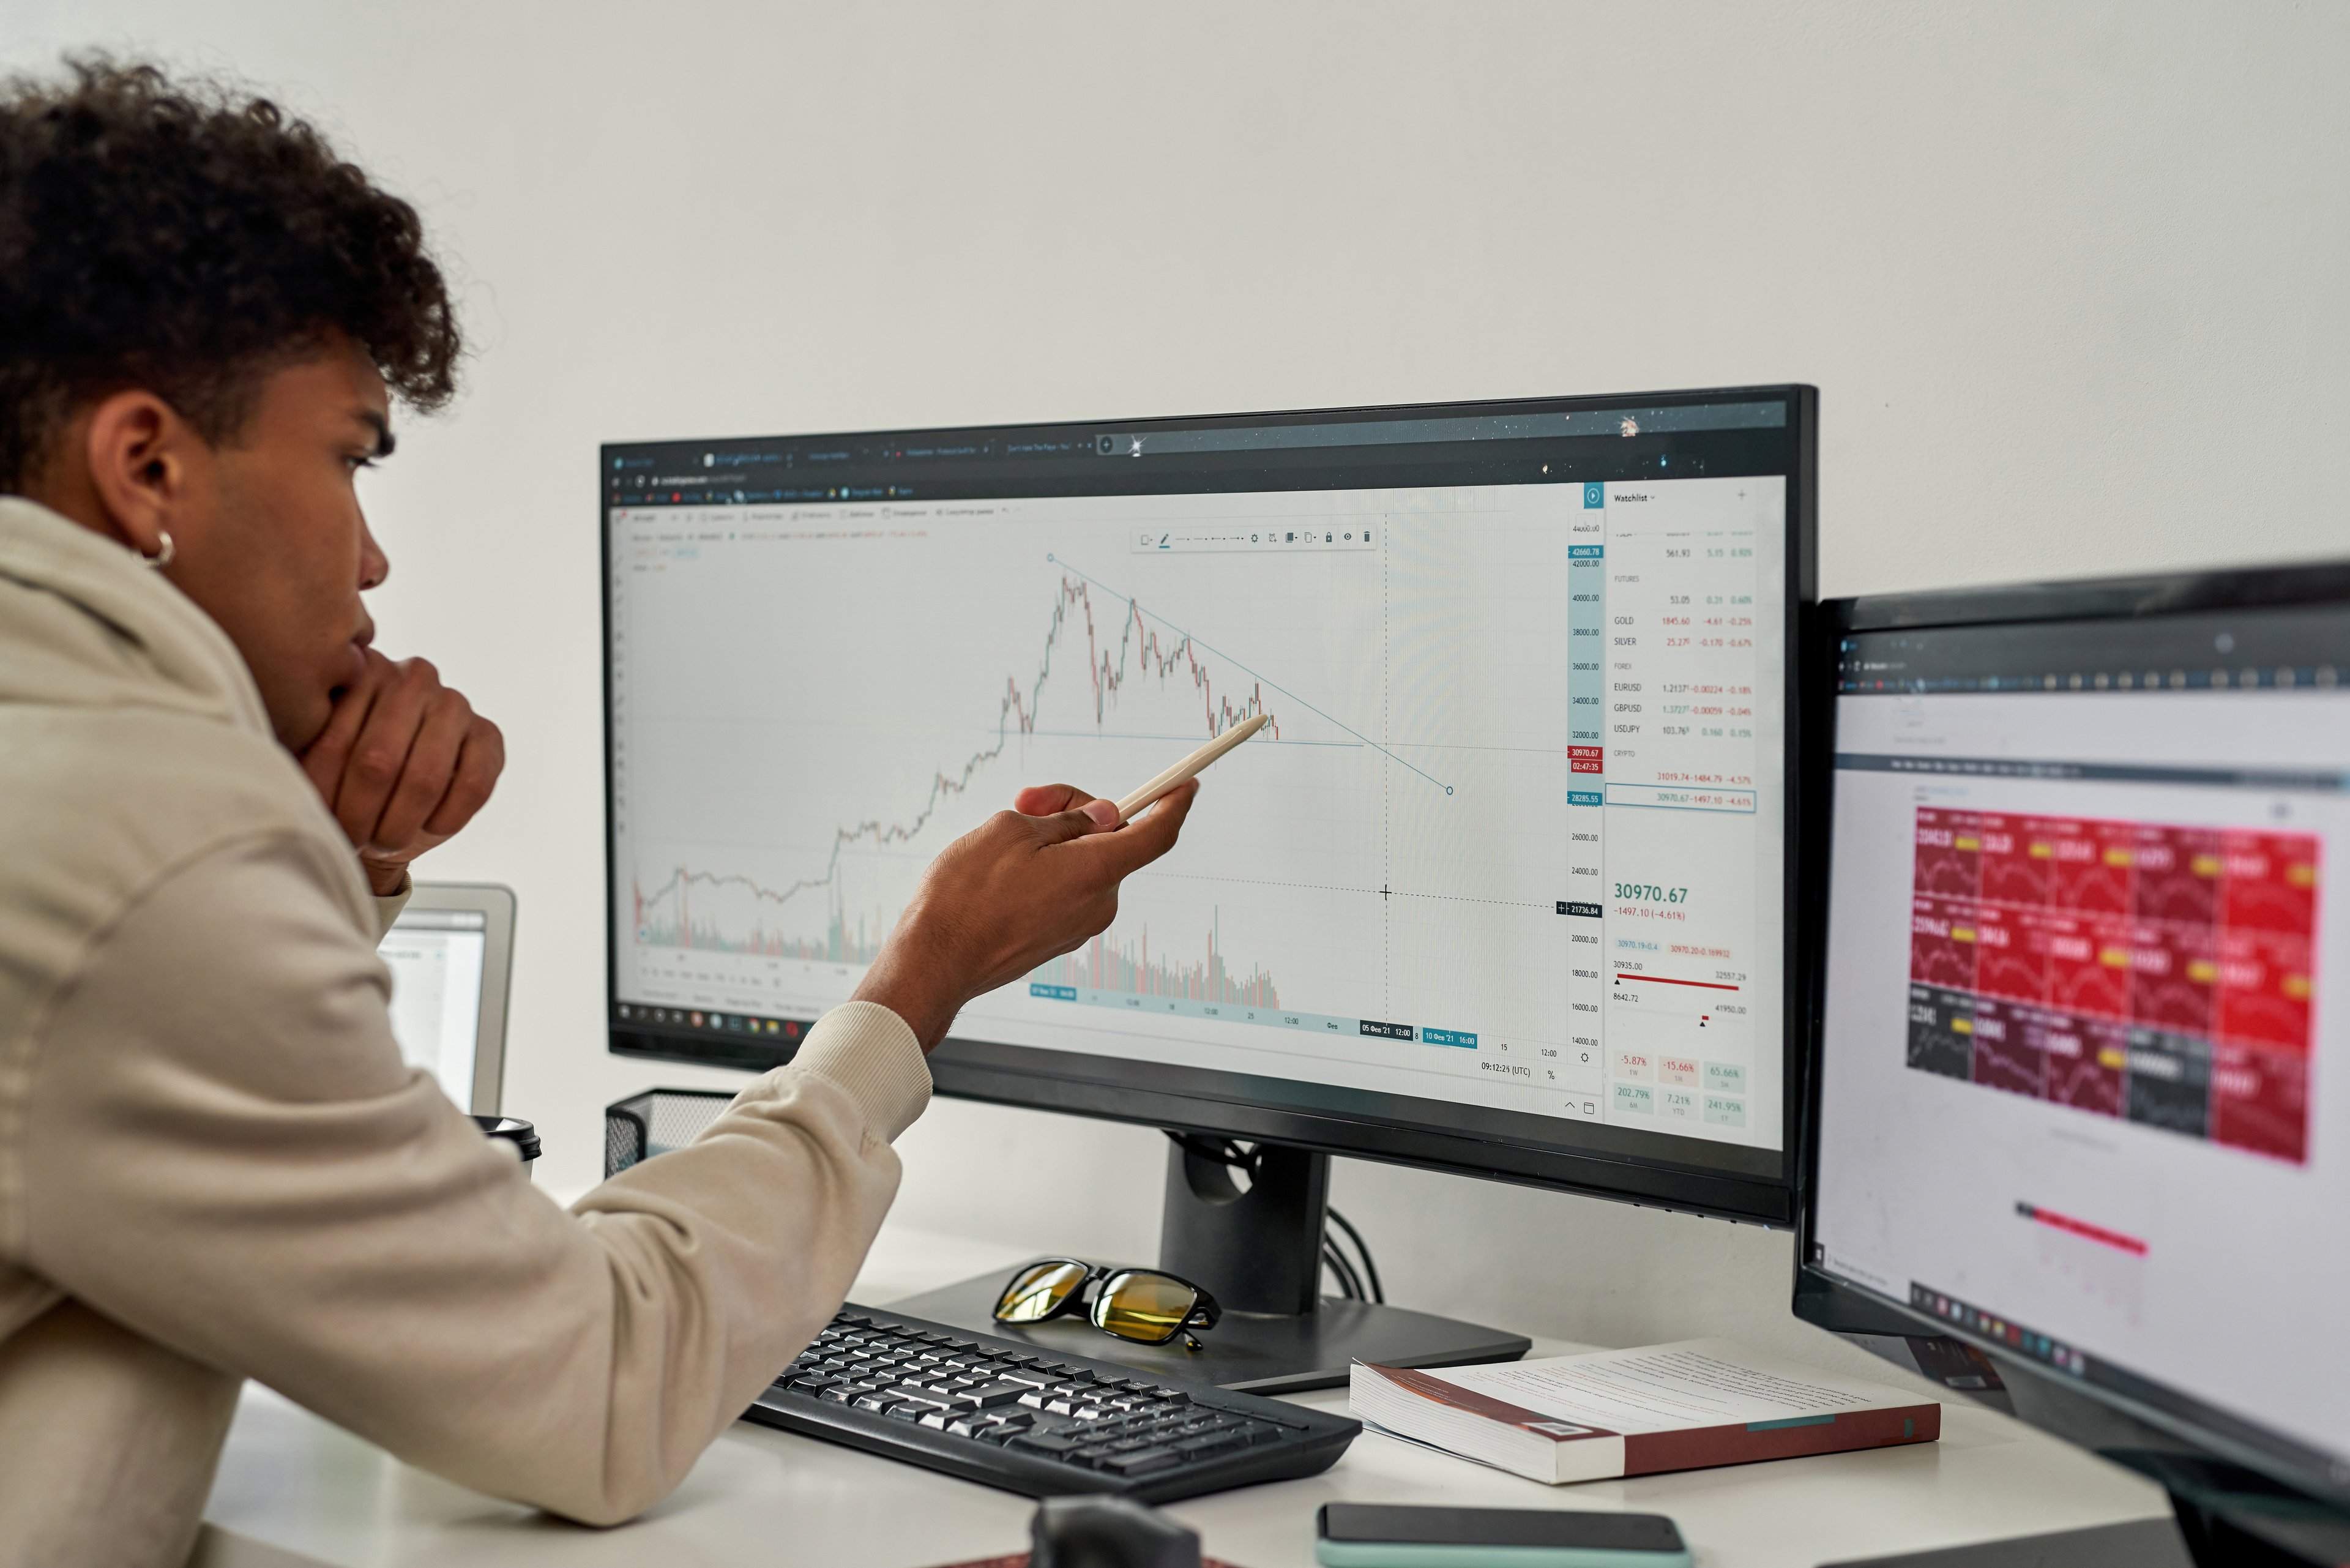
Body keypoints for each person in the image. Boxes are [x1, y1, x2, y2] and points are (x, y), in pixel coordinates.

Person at [0, 58, 1196, 1566]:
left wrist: (335, 861)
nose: (371, 562)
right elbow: (601, 1390)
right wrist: (918, 983)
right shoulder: (142, 844)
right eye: (350, 459)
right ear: (146, 465)